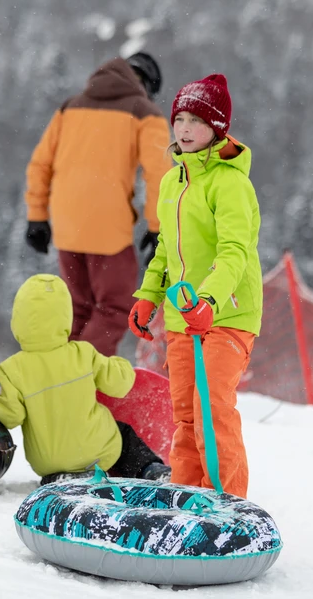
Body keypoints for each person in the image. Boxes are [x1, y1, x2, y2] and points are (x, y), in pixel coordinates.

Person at [128, 74, 262, 499]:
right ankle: (186, 496)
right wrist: (148, 295)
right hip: (183, 318)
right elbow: (166, 248)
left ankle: (226, 503)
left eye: (196, 122)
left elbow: (234, 251)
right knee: (185, 412)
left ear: (217, 129)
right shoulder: (173, 182)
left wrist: (209, 299)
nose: (184, 129)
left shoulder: (231, 183)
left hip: (227, 314)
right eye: (179, 119)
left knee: (212, 407)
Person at [24, 52, 172, 357]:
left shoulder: (70, 107)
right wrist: (160, 228)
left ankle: (57, 379)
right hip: (108, 227)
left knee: (78, 310)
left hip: (66, 224)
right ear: (147, 85)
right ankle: (79, 381)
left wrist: (37, 218)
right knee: (115, 308)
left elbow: (40, 164)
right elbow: (158, 174)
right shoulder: (144, 112)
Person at [0, 273, 170, 485]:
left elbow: (10, 416)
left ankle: (60, 476)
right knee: (122, 434)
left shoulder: (11, 369)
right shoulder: (82, 353)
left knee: (65, 453)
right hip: (94, 450)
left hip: (47, 461)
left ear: (17, 320)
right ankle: (149, 469)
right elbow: (120, 385)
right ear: (65, 317)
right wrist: (120, 365)